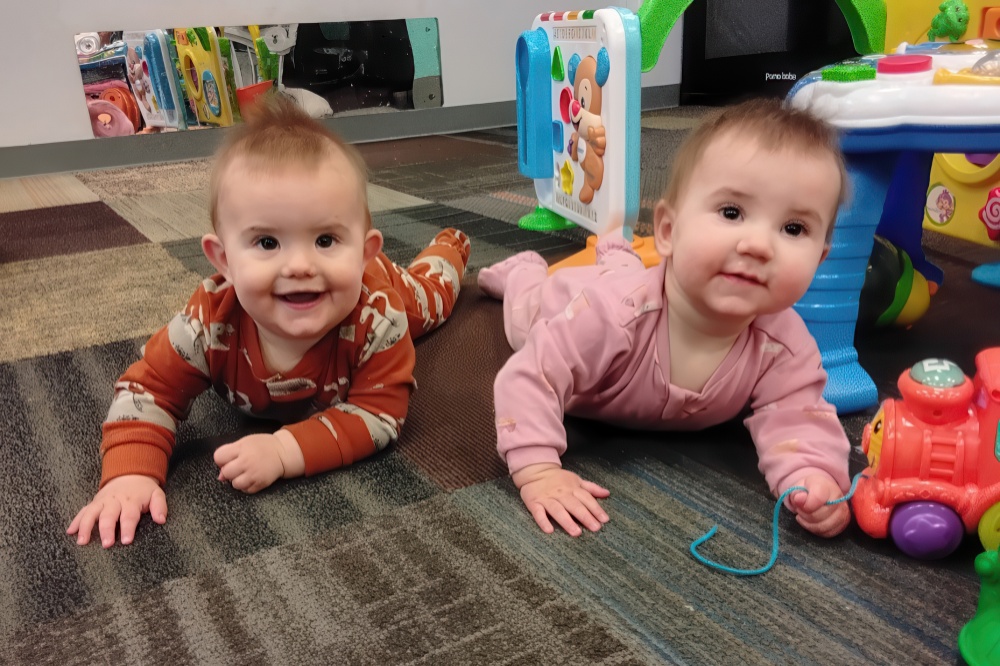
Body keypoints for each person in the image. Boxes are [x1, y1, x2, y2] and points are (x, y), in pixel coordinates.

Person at [68, 95, 471, 548]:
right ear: (223, 260)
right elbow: (148, 389)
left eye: (324, 239)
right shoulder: (207, 323)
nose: (299, 265)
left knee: (434, 296)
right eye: (266, 242)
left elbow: (379, 416)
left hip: (387, 285)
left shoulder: (379, 316)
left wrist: (284, 450)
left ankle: (451, 245)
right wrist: (130, 473)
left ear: (363, 250)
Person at [478, 97, 852, 539]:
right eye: (732, 213)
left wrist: (812, 474)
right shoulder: (606, 315)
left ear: (822, 258)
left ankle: (617, 254)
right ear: (669, 232)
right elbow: (530, 376)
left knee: (625, 271)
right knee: (528, 314)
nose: (759, 245)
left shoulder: (783, 343)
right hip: (568, 302)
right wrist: (538, 470)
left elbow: (798, 414)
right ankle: (525, 270)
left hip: (642, 285)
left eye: (794, 229)